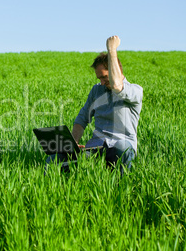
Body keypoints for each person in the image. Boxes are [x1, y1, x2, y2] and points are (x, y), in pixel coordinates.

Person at [46, 36, 143, 175]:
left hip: (120, 144)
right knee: (54, 158)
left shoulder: (134, 91)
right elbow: (82, 119)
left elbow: (117, 85)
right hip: (96, 147)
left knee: (122, 147)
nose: (102, 82)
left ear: (117, 71)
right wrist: (72, 144)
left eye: (105, 77)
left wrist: (112, 49)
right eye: (99, 78)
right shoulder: (97, 90)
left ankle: (120, 188)